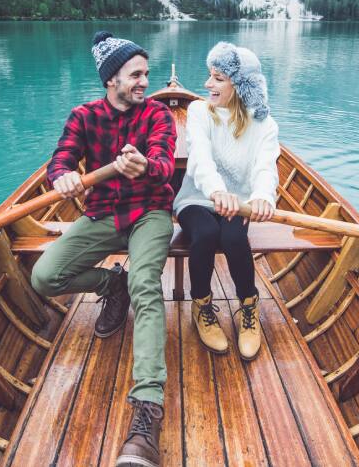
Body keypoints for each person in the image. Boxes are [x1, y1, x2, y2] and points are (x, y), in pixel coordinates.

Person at [30, 31, 176, 467]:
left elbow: (166, 163)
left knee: (148, 285)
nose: (144, 82)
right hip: (102, 215)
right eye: (136, 74)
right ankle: (114, 284)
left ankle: (147, 411)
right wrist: (62, 176)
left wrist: (146, 166)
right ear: (111, 78)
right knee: (44, 277)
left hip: (150, 210)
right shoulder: (83, 116)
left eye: (146, 74)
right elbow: (61, 158)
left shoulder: (158, 115)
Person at [173, 41, 279, 360]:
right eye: (210, 75)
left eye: (218, 77)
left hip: (241, 203)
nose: (207, 84)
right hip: (197, 199)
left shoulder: (265, 125)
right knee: (205, 234)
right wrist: (217, 191)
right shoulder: (197, 112)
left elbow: (265, 167)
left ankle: (248, 307)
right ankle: (202, 305)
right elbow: (200, 159)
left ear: (240, 84)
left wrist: (261, 197)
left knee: (234, 237)